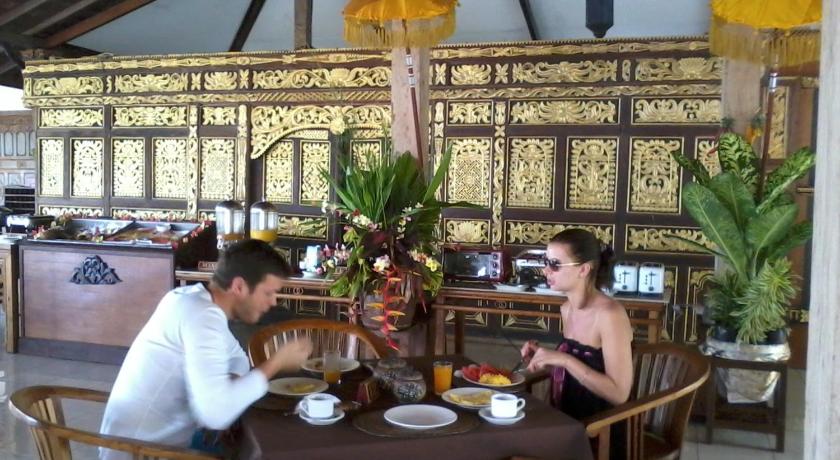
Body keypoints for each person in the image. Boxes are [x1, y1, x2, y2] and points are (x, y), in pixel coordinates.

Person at [100, 240, 312, 459]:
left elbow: (238, 359)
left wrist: (225, 391)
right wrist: (275, 363)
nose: (274, 302)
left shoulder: (192, 299)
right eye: (268, 293)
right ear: (239, 286)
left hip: (155, 444)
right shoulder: (201, 315)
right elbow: (216, 414)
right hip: (142, 452)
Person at [520, 229, 632, 458]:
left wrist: (563, 359)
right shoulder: (567, 308)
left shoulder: (610, 315)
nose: (545, 270)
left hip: (599, 429)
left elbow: (619, 394)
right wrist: (545, 357)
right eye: (546, 262)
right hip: (566, 418)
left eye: (555, 264)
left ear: (584, 269)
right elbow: (578, 369)